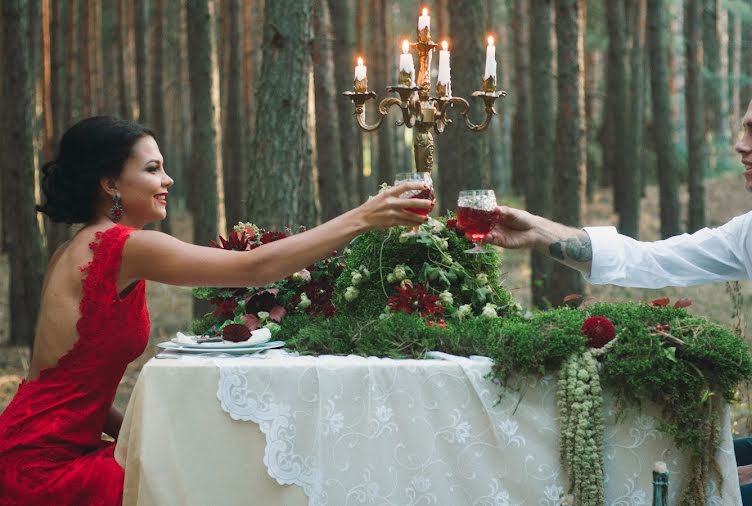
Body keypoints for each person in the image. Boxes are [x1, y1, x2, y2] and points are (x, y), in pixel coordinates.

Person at [485, 76, 752, 505]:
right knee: (649, 470)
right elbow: (649, 259)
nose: (740, 145)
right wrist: (536, 231)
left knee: (706, 496)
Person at [0, 115, 431, 505]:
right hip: (43, 470)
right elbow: (255, 268)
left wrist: (139, 431)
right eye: (152, 169)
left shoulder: (77, 249)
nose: (167, 180)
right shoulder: (121, 246)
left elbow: (72, 389)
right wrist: (364, 217)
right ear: (110, 183)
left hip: (39, 446)